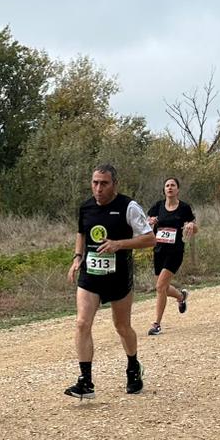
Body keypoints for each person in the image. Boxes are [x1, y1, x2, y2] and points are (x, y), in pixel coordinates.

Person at [65, 163, 155, 397]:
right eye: (95, 183)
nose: (98, 188)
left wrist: (119, 244)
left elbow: (150, 239)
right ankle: (86, 382)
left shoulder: (129, 207)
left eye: (104, 184)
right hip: (90, 276)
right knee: (82, 323)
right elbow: (81, 233)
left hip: (118, 277)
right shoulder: (86, 207)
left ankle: (133, 368)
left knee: (122, 326)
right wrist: (77, 257)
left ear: (115, 184)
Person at [146, 176, 197, 335]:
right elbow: (146, 222)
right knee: (163, 287)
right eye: (167, 185)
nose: (169, 187)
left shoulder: (184, 208)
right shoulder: (158, 206)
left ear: (177, 189)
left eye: (173, 185)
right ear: (164, 189)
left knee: (160, 287)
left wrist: (191, 225)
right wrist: (150, 222)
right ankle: (181, 297)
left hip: (175, 252)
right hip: (159, 250)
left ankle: (157, 324)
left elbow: (195, 228)